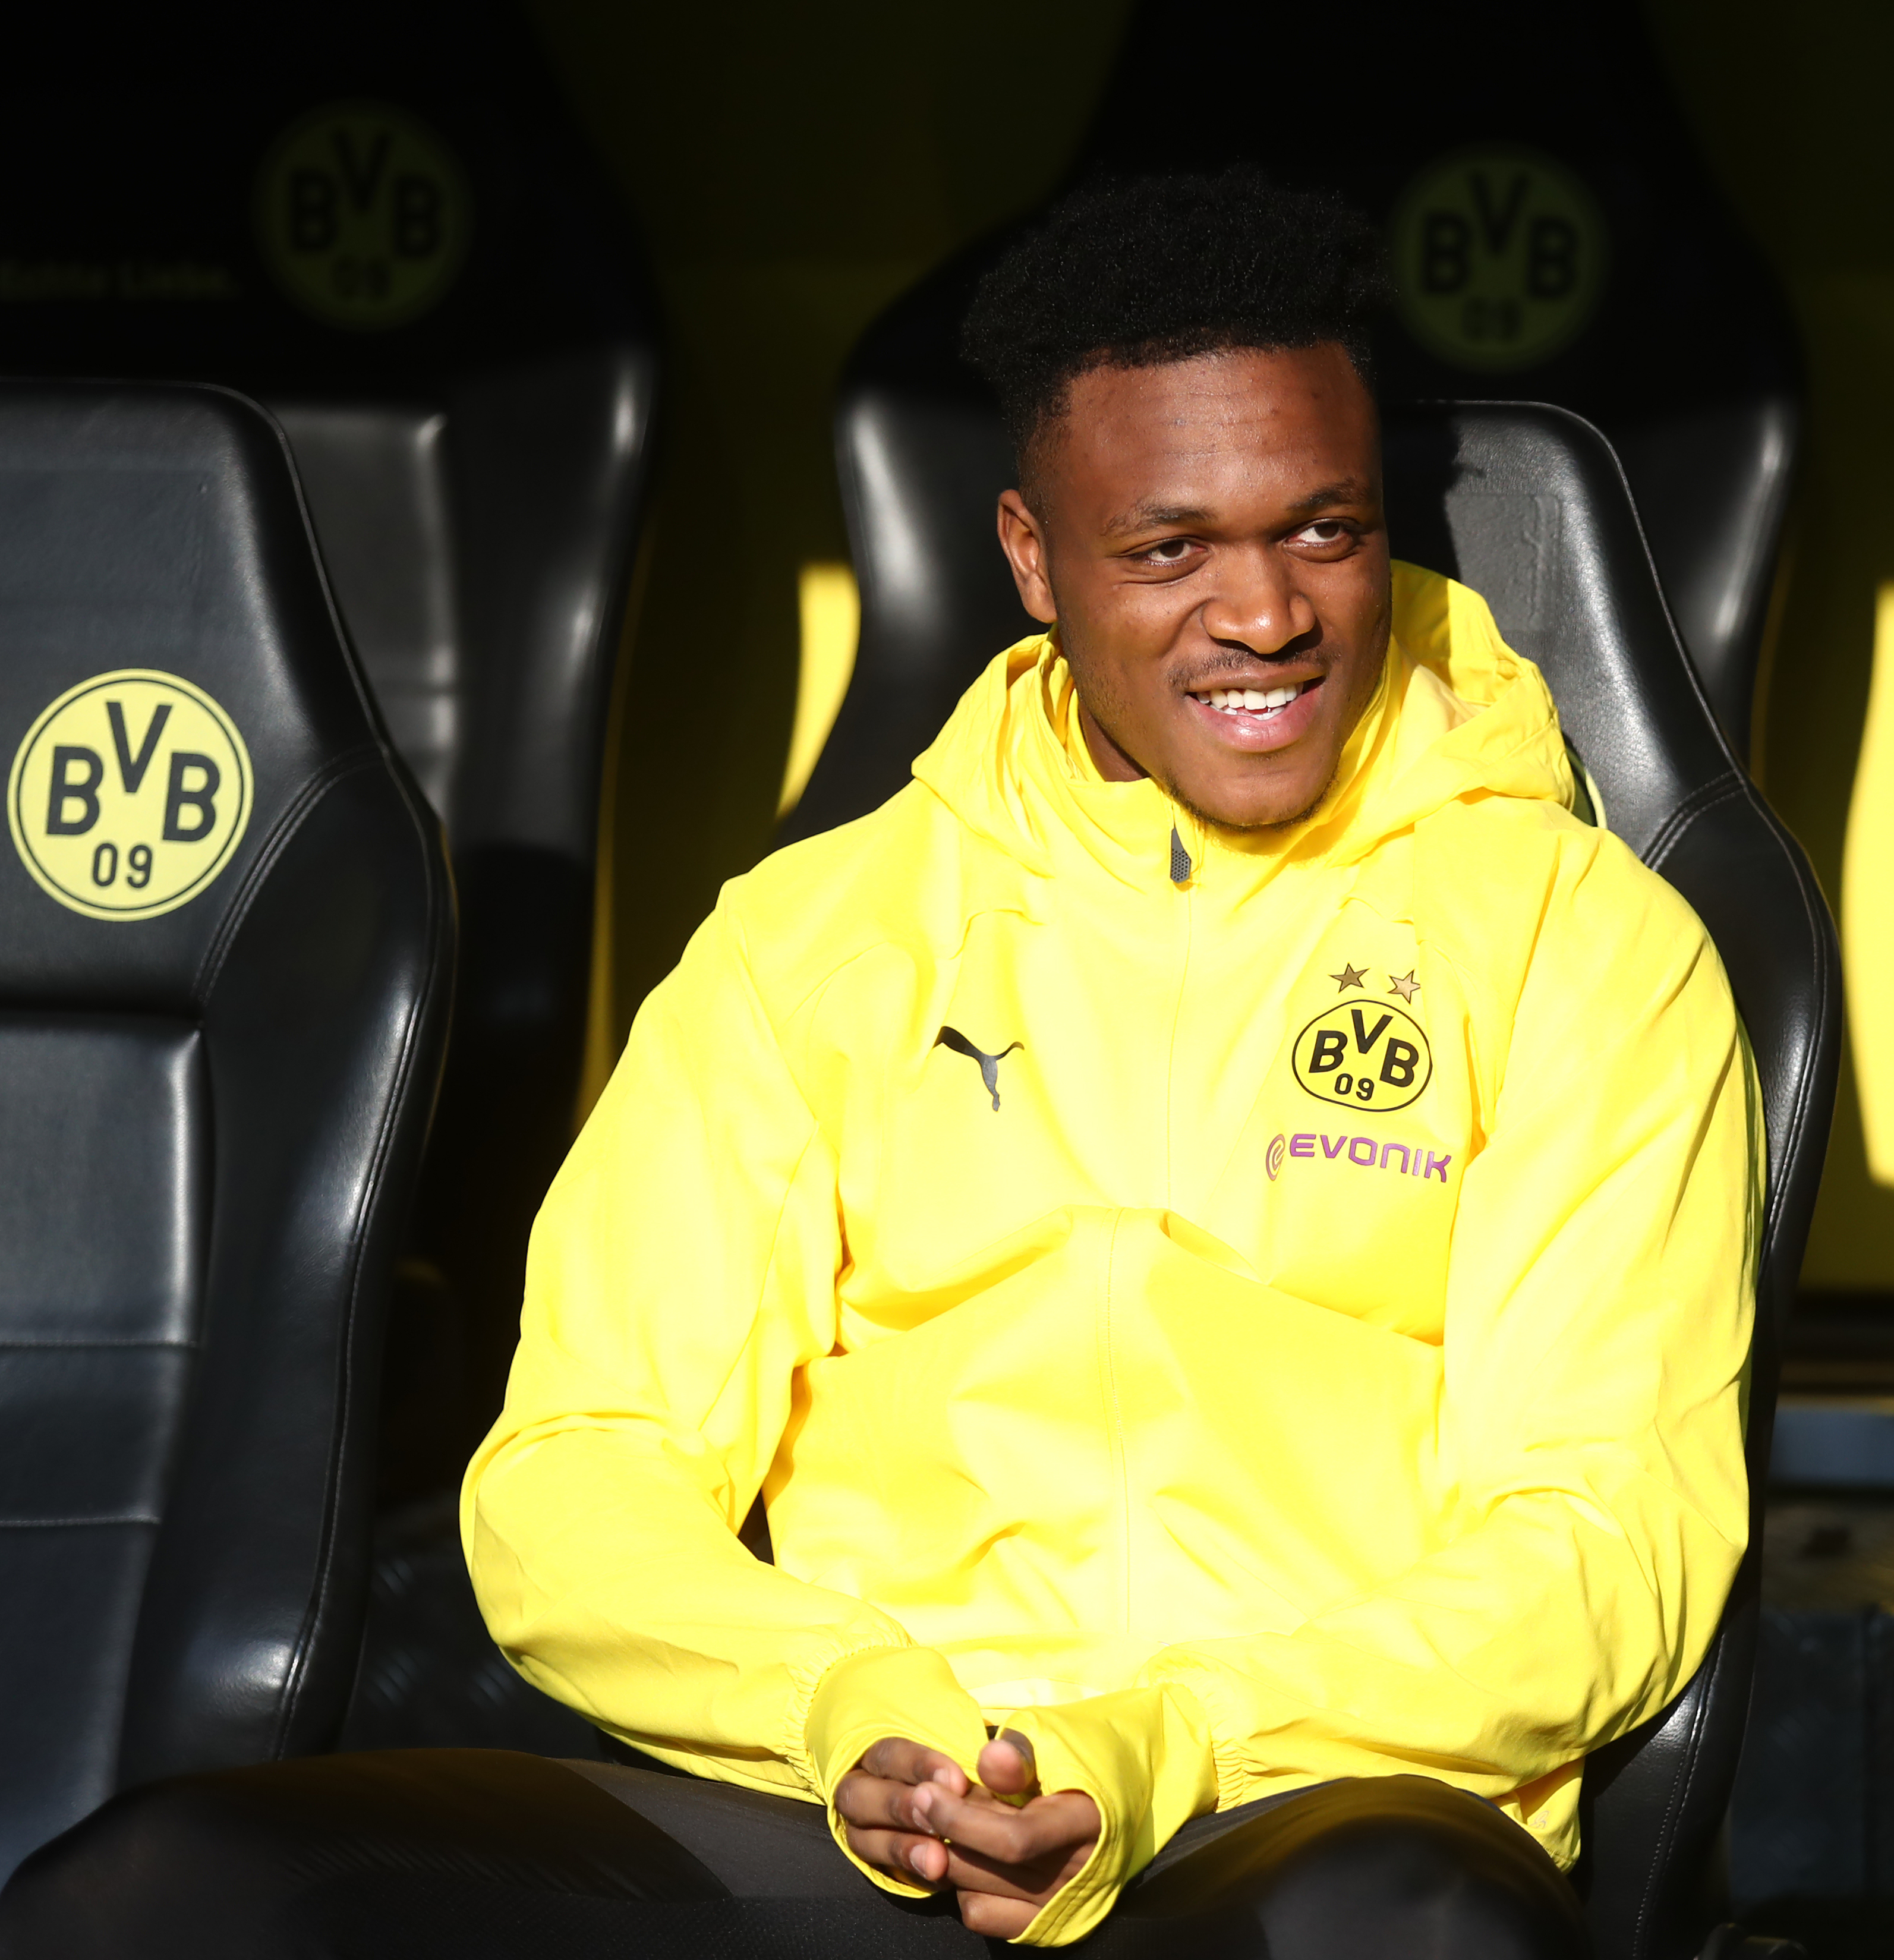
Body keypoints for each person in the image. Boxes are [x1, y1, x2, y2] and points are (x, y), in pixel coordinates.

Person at [0, 169, 1753, 1958]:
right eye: (1168, 549)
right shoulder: (808, 940)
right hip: (861, 1815)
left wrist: (1162, 1742)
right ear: (1028, 558)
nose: (1266, 615)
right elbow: (576, 1468)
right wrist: (854, 1710)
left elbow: (1605, 1540)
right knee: (156, 1897)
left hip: (1298, 1812)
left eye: (1324, 528)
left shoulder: (1582, 942)